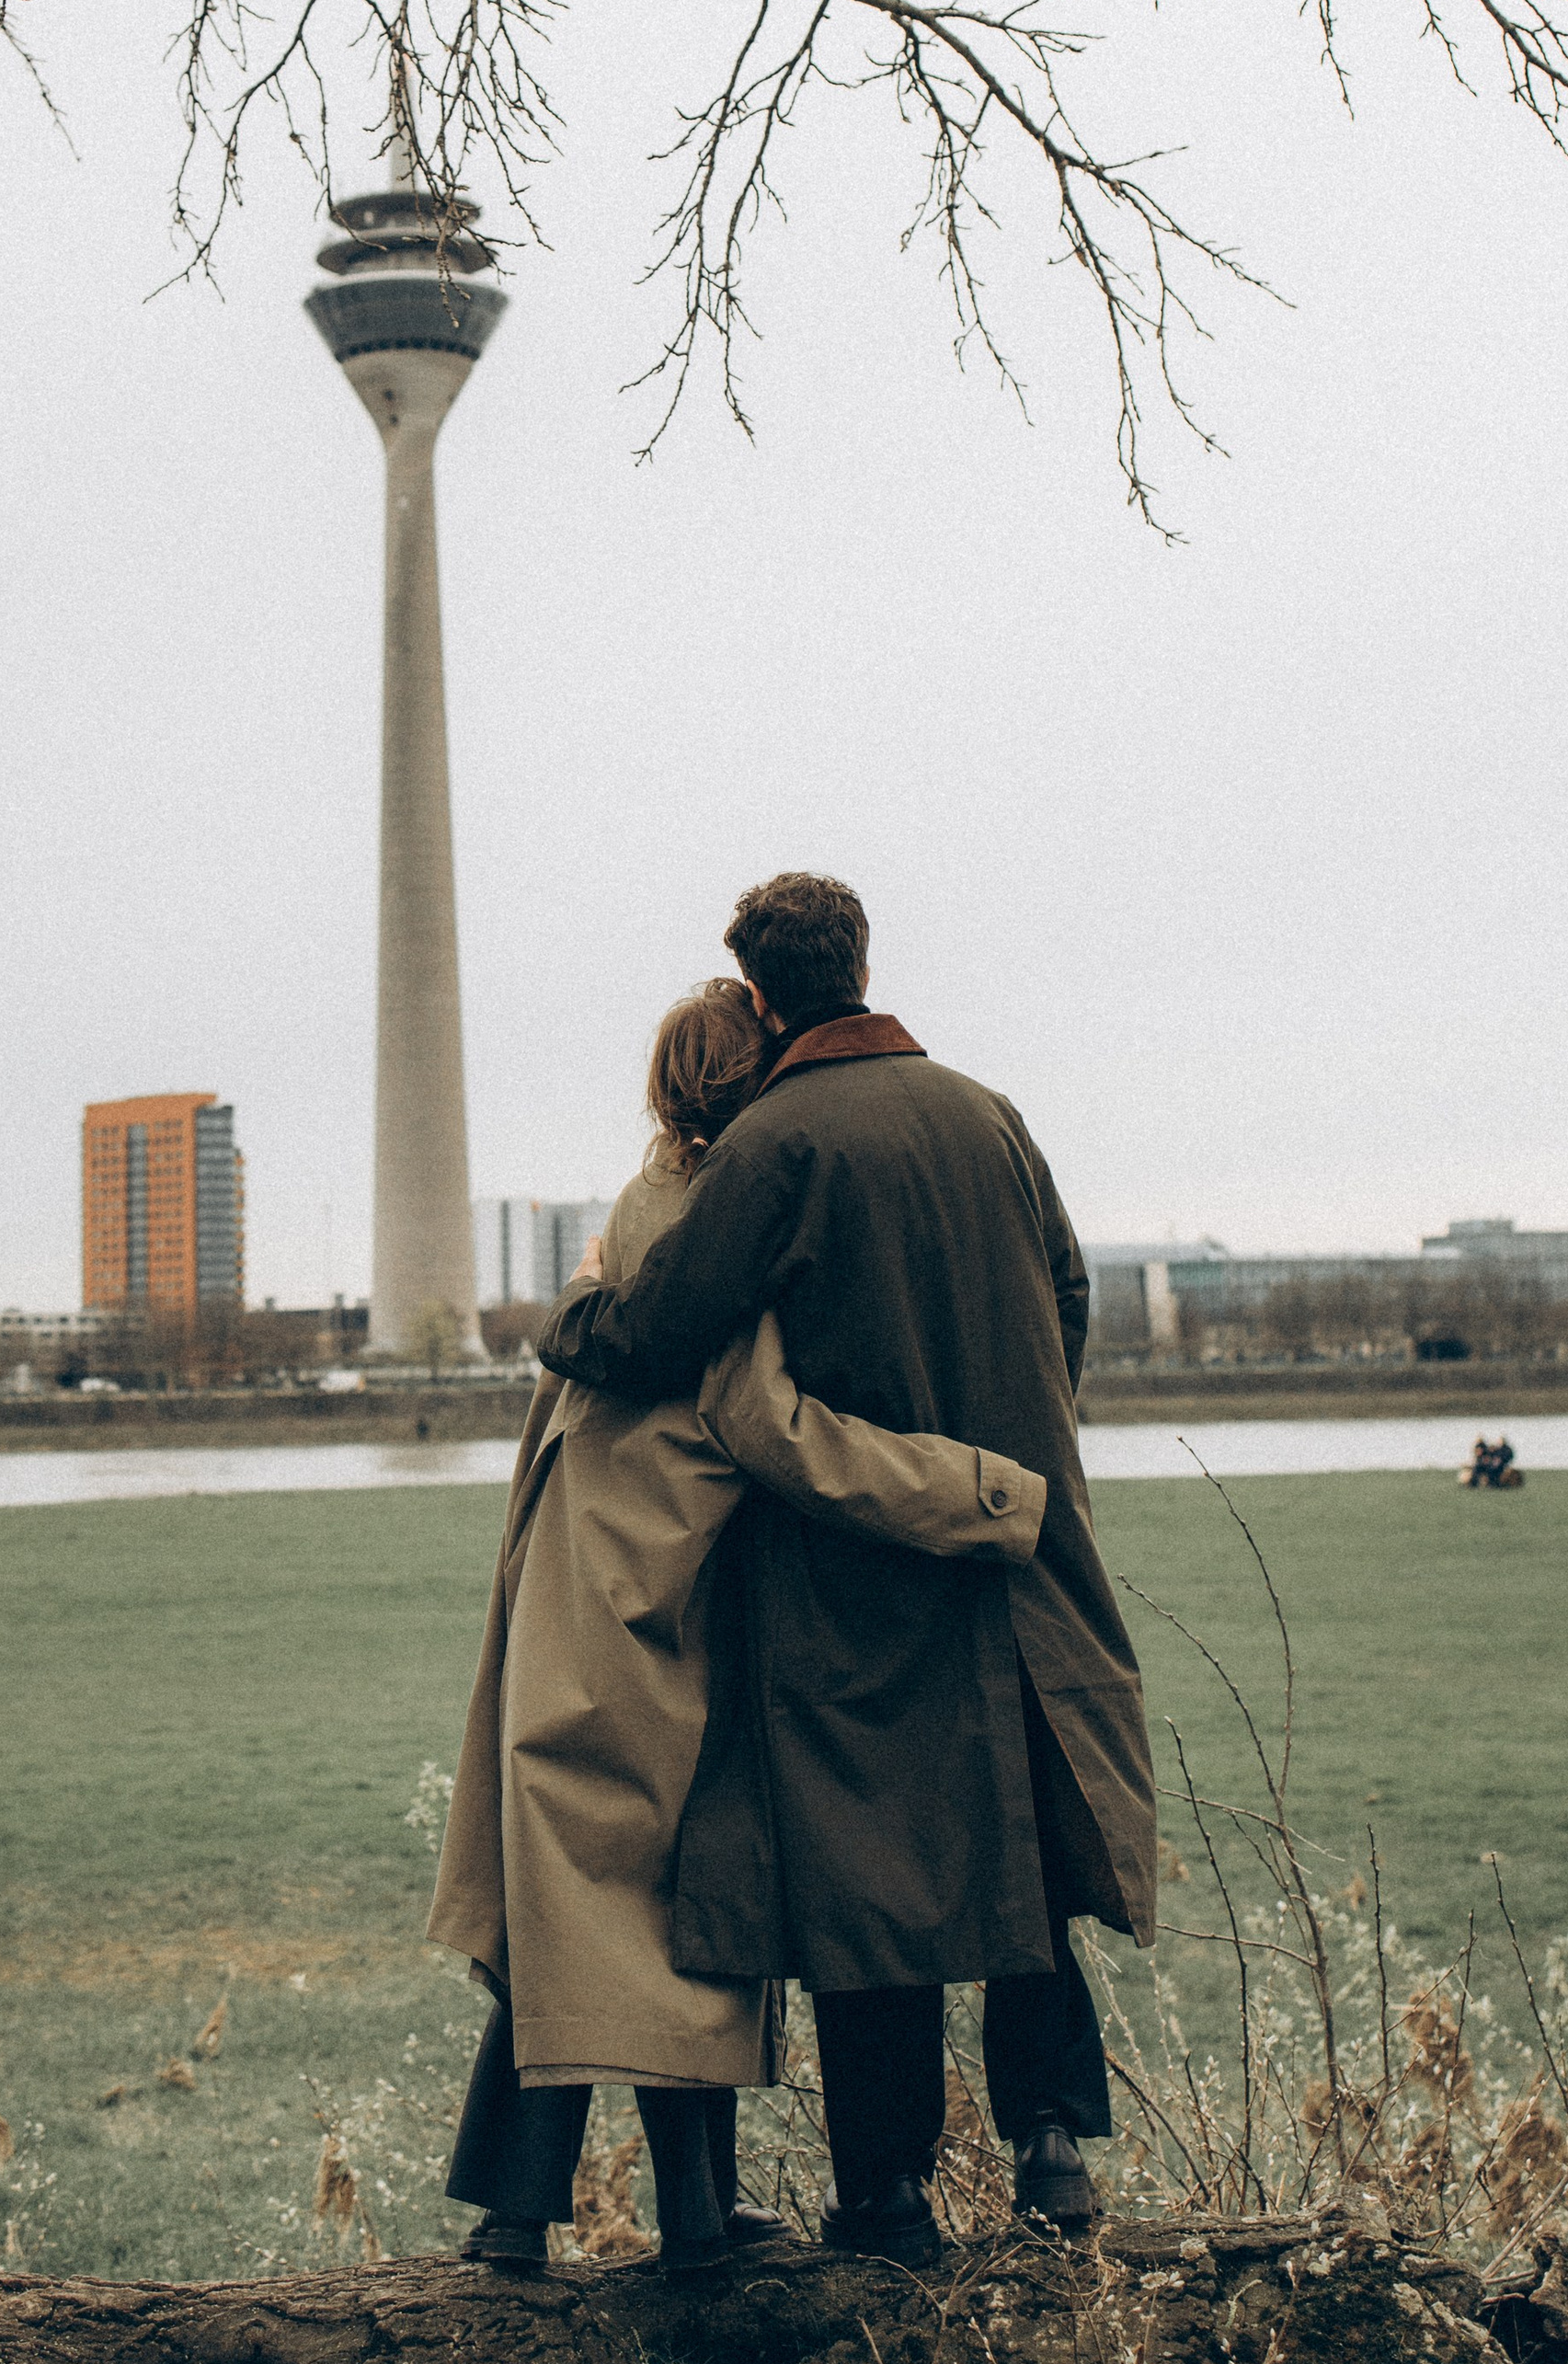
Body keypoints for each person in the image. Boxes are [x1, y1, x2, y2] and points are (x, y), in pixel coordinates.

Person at [535, 873, 1157, 2261]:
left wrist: (568, 1318)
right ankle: (1052, 2147)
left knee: (876, 1888)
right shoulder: (990, 1114)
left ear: (760, 995)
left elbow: (664, 1332)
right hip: (1021, 1543)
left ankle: (888, 2197)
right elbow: (1070, 1293)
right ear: (860, 964)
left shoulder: (777, 1145)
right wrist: (1023, 1418)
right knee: (1023, 1852)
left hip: (853, 1569)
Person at [429, 980, 1051, 2280]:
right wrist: (984, 1493)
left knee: (576, 1907)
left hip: (566, 1587)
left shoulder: (639, 1200)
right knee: (669, 1912)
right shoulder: (724, 1236)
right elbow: (786, 1439)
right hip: (647, 1606)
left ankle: (529, 2216)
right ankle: (677, 2231)